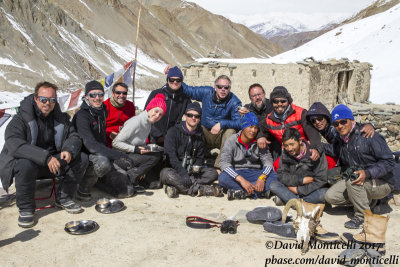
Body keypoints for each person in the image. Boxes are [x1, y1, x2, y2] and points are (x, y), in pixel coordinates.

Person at [0, 81, 88, 227]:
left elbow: (74, 136)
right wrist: (45, 157)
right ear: (35, 98)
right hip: (32, 164)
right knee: (24, 163)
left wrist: (68, 149)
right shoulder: (20, 119)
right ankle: (26, 208)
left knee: (81, 158)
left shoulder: (62, 118)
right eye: (43, 99)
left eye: (52, 100)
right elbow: (14, 144)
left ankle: (64, 198)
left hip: (55, 162)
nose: (48, 103)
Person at [324, 104, 395, 229]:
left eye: (343, 121)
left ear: (352, 120)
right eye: (336, 124)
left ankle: (363, 216)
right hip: (360, 179)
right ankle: (369, 202)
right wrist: (310, 146)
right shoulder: (342, 141)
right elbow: (332, 149)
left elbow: (388, 162)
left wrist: (367, 173)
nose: (340, 126)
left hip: (382, 181)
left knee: (353, 180)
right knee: (331, 196)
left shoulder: (369, 136)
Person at [73, 80, 132, 200]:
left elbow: (101, 136)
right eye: (93, 95)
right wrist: (117, 154)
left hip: (100, 152)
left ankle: (99, 180)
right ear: (86, 97)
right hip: (85, 154)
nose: (97, 98)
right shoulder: (82, 116)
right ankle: (83, 187)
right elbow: (91, 145)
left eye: (100, 94)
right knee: (103, 164)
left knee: (127, 187)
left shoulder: (102, 111)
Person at [160, 102, 219, 198]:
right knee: (165, 174)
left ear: (199, 119)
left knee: (213, 173)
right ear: (185, 116)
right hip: (175, 170)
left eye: (196, 116)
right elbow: (171, 157)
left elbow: (200, 157)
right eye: (190, 115)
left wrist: (196, 168)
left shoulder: (200, 134)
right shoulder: (173, 132)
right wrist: (183, 173)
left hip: (191, 172)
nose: (193, 118)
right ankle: (202, 190)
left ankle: (176, 187)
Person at [182, 75, 242, 169]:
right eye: (219, 87)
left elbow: (239, 122)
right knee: (193, 124)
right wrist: (174, 75)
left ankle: (219, 167)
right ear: (215, 87)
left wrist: (222, 123)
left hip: (221, 136)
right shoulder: (207, 92)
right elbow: (189, 90)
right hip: (205, 133)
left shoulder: (234, 101)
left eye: (226, 87)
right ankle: (193, 161)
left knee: (231, 132)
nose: (223, 90)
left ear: (229, 88)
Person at [258, 86, 322, 168]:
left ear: (288, 101)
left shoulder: (300, 113)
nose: (279, 104)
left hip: (304, 151)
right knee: (276, 168)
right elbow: (259, 128)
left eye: (283, 101)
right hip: (288, 153)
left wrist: (316, 149)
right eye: (275, 101)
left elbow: (313, 134)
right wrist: (260, 136)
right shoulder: (269, 119)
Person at [218, 112, 277, 200]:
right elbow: (224, 163)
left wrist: (262, 178)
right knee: (222, 178)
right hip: (238, 173)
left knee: (274, 176)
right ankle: (259, 192)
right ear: (243, 127)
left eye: (255, 128)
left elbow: (268, 162)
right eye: (250, 127)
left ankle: (243, 192)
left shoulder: (260, 141)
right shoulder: (231, 141)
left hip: (256, 173)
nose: (253, 131)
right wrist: (242, 180)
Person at [112, 94, 166, 189]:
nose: (157, 115)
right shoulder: (136, 122)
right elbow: (115, 143)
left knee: (155, 183)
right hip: (120, 156)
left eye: (160, 115)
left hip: (131, 154)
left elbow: (140, 142)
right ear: (150, 108)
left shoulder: (148, 123)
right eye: (156, 111)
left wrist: (143, 170)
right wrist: (135, 149)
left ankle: (136, 176)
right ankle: (131, 177)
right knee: (155, 156)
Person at [270, 128, 328, 204]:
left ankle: (291, 201)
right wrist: (301, 180)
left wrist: (299, 190)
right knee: (273, 185)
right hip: (291, 187)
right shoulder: (285, 153)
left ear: (300, 141)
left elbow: (321, 180)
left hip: (309, 190)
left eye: (292, 144)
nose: (289, 149)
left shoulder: (315, 154)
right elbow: (282, 175)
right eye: (286, 145)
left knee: (325, 193)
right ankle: (301, 203)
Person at [144, 66, 191, 146]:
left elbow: (193, 114)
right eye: (172, 80)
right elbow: (145, 115)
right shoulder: (156, 93)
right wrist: (157, 134)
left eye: (178, 80)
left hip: (173, 138)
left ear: (181, 81)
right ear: (168, 80)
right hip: (154, 137)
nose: (175, 82)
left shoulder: (185, 98)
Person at [306, 101, 375, 144]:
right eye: (313, 121)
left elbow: (338, 150)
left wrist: (369, 125)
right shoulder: (323, 129)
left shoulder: (334, 128)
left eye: (320, 118)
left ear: (326, 117)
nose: (317, 122)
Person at [104, 82, 135, 148]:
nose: (121, 95)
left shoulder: (130, 105)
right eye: (118, 93)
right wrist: (110, 133)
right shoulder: (104, 106)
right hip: (108, 139)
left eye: (124, 93)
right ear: (113, 93)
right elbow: (99, 127)